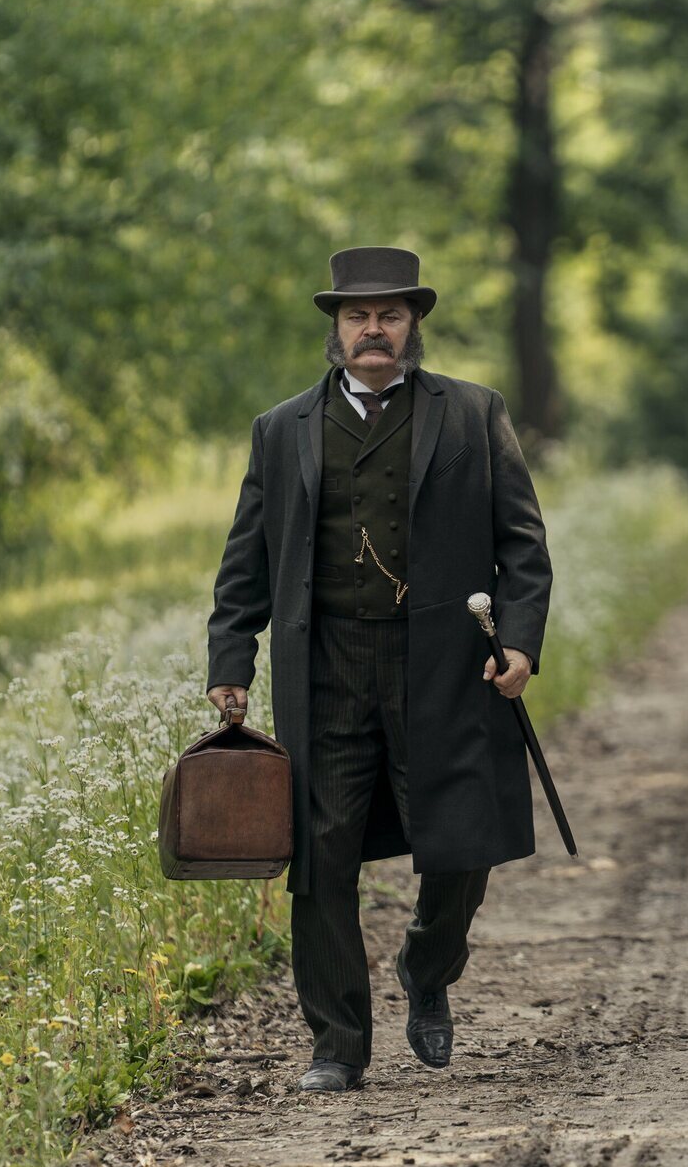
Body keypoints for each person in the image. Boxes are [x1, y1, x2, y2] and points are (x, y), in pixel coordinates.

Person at [205, 245, 553, 1093]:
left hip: (444, 663)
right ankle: (337, 1042)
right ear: (335, 327)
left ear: (413, 325)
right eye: (359, 316)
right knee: (321, 856)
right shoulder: (281, 428)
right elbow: (245, 559)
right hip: (325, 664)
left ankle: (428, 966)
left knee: (462, 841)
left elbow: (523, 545)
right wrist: (231, 657)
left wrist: (520, 640)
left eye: (391, 315)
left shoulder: (473, 413)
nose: (374, 329)